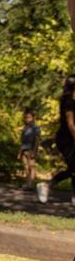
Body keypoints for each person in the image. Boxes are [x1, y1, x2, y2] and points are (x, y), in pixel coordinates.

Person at [37, 75, 75, 205]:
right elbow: (71, 124)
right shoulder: (68, 102)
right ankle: (47, 185)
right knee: (74, 167)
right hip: (66, 139)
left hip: (69, 138)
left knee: (73, 167)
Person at [18, 108, 40, 190]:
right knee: (26, 167)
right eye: (26, 117)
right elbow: (22, 141)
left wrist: (34, 151)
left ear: (33, 118)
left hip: (31, 150)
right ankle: (28, 183)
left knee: (32, 167)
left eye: (29, 117)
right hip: (24, 150)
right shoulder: (25, 128)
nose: (27, 119)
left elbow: (37, 140)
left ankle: (30, 184)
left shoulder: (35, 128)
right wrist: (20, 152)